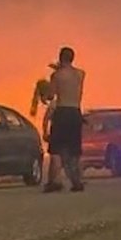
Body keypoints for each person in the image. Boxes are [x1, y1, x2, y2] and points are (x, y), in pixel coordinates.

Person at [43, 47, 86, 193]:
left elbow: (50, 95)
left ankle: (54, 182)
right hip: (75, 112)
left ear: (60, 57)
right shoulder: (80, 74)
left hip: (62, 112)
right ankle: (77, 181)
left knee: (56, 150)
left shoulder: (57, 75)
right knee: (75, 151)